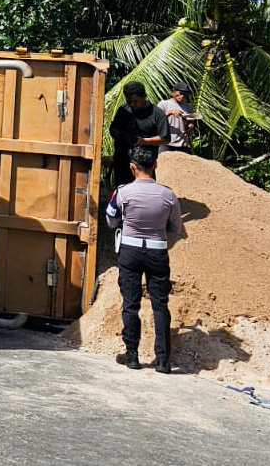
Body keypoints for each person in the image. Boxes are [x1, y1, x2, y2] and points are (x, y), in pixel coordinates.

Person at [105, 146, 183, 374]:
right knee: (160, 305)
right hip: (157, 251)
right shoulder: (168, 195)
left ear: (132, 166)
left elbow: (111, 221)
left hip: (130, 250)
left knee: (131, 303)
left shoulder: (123, 193)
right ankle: (163, 361)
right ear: (155, 165)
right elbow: (176, 227)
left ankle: (132, 356)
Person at [108, 81, 169, 185]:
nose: (132, 104)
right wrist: (119, 135)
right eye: (129, 101)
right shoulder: (123, 110)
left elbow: (165, 138)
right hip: (122, 161)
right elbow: (113, 128)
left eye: (136, 101)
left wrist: (144, 141)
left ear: (144, 97)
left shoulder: (157, 114)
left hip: (144, 165)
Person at [157, 81, 197, 153]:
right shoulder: (164, 104)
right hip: (166, 143)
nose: (182, 96)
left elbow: (191, 122)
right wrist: (170, 112)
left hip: (182, 144)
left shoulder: (188, 107)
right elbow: (156, 119)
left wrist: (191, 126)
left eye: (184, 94)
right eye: (180, 93)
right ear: (173, 92)